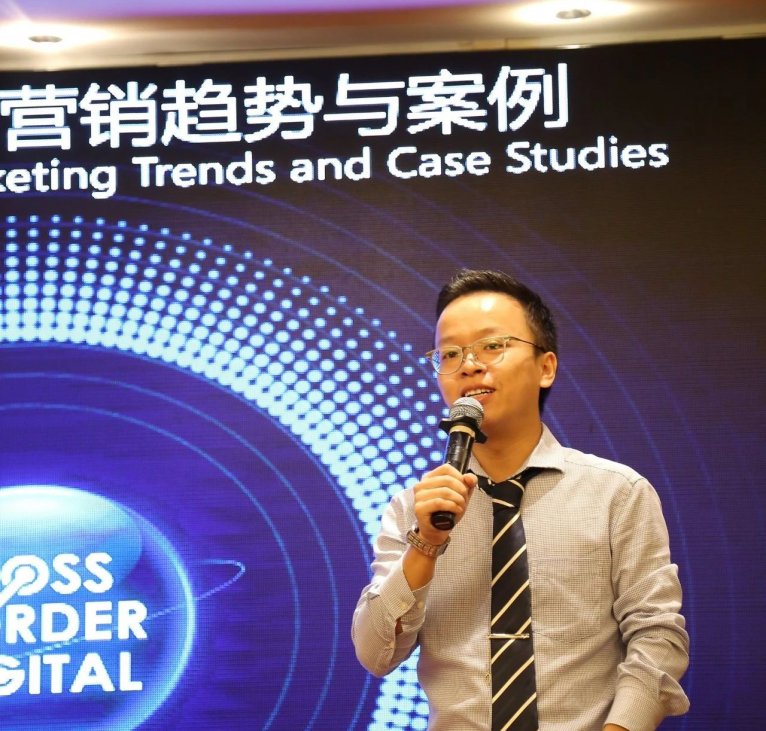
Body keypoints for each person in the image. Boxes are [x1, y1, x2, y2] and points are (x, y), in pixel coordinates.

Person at [352, 269, 690, 731]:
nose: (469, 365)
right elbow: (375, 655)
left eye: (492, 345)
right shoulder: (413, 509)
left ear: (545, 367)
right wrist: (426, 543)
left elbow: (657, 635)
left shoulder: (617, 494)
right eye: (450, 353)